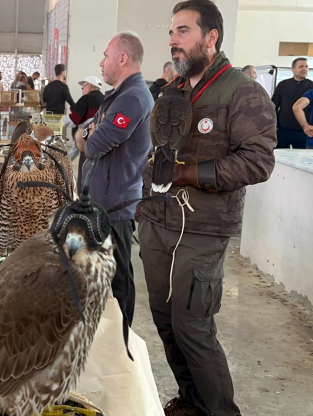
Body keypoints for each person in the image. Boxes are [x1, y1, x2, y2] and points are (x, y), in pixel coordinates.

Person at [137, 2, 277, 415]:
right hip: (157, 220)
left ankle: (220, 411)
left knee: (193, 326)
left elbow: (258, 161)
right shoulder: (171, 91)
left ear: (210, 37)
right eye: (171, 32)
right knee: (164, 319)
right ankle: (191, 401)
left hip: (202, 228)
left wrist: (188, 174)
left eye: (182, 31)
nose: (172, 40)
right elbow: (156, 152)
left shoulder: (243, 91)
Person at [74, 32, 152, 329]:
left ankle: (123, 339)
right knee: (97, 273)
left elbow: (92, 144)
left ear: (122, 58)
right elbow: (86, 132)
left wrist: (90, 134)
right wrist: (90, 133)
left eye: (106, 55)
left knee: (119, 280)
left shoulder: (133, 98)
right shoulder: (118, 96)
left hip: (114, 208)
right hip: (100, 204)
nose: (101, 62)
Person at [66, 75, 104, 184]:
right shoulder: (104, 98)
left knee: (78, 156)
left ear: (89, 86)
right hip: (99, 139)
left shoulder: (86, 98)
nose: (82, 90)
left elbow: (74, 118)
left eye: (83, 87)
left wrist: (60, 122)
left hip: (85, 136)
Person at [272, 57, 313, 149]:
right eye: (301, 66)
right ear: (293, 69)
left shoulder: (311, 86)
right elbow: (273, 106)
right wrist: (274, 125)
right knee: (279, 156)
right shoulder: (283, 85)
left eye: (306, 66)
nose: (304, 69)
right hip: (283, 129)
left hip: (303, 131)